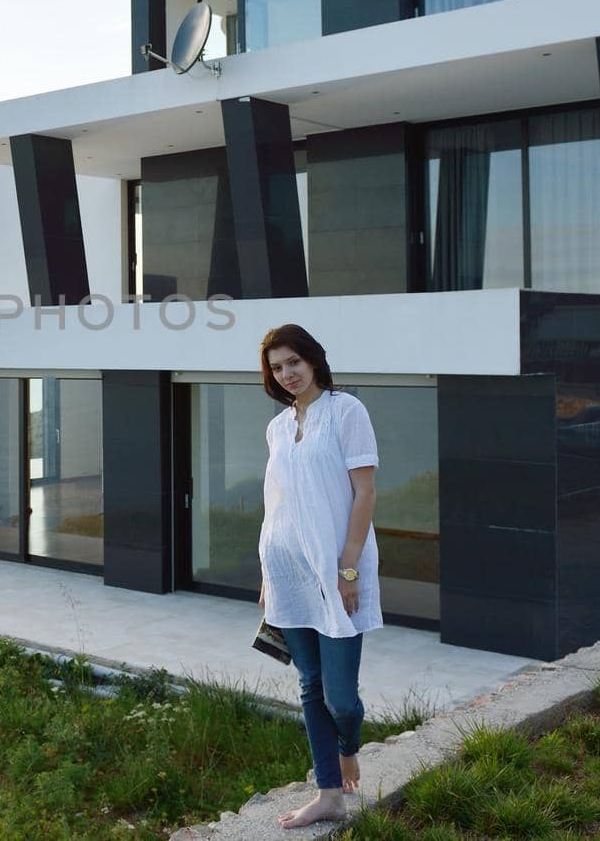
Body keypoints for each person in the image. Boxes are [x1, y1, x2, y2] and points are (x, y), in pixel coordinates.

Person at [256, 324, 380, 829]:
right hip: (288, 570)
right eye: (276, 366)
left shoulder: (347, 411)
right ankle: (329, 793)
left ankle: (349, 745)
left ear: (312, 360)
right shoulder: (277, 427)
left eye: (293, 362)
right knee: (310, 684)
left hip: (337, 571)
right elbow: (276, 504)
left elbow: (365, 494)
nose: (286, 373)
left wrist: (348, 566)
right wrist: (268, 574)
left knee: (340, 697)